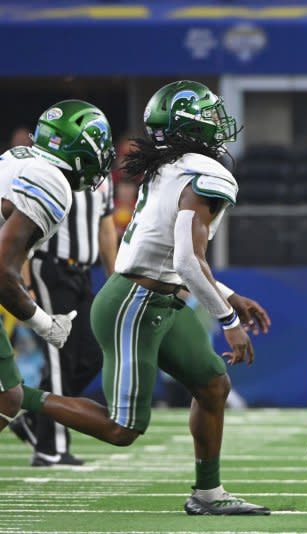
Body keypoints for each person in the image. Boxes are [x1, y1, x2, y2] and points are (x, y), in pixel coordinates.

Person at [12, 81, 271, 516]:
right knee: (122, 429)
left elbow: (165, 253)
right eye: (209, 116)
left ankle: (207, 495)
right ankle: (17, 397)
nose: (218, 125)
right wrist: (228, 321)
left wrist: (228, 293)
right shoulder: (203, 174)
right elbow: (187, 260)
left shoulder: (169, 167)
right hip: (136, 303)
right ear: (190, 125)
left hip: (155, 298)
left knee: (212, 384)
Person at [0, 100, 114, 434]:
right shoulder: (52, 183)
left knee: (9, 396)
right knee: (8, 399)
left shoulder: (18, 157)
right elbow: (2, 273)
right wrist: (44, 323)